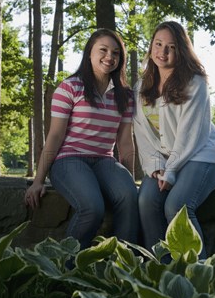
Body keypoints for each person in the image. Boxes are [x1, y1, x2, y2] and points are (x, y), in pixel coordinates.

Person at [24, 28, 139, 249]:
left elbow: (125, 142)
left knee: (129, 197)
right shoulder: (70, 87)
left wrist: (126, 179)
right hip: (69, 160)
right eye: (103, 50)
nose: (110, 57)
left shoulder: (125, 95)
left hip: (105, 160)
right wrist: (38, 181)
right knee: (92, 207)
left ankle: (125, 264)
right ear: (89, 54)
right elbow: (55, 136)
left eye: (116, 53)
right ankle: (66, 266)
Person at [133, 21, 215, 259]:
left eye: (171, 47)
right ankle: (160, 269)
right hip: (164, 161)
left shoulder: (195, 82)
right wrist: (155, 167)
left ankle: (198, 273)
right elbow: (142, 134)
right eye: (158, 44)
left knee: (176, 206)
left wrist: (171, 169)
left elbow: (190, 135)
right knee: (146, 202)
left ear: (181, 50)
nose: (162, 52)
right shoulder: (141, 87)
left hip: (202, 155)